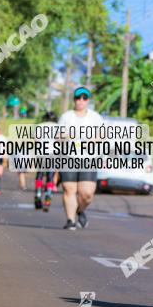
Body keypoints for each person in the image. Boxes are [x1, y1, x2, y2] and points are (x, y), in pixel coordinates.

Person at [58, 87, 104, 230]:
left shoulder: (95, 117)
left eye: (84, 98)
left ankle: (80, 210)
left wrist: (93, 140)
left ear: (88, 100)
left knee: (87, 194)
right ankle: (70, 220)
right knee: (68, 189)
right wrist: (65, 136)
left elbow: (103, 135)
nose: (81, 101)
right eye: (78, 98)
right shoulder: (66, 117)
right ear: (74, 99)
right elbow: (58, 136)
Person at [33, 112, 58, 211]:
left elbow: (36, 140)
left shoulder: (40, 126)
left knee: (39, 174)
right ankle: (48, 194)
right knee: (50, 176)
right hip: (52, 154)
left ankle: (38, 193)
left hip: (41, 153)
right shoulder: (58, 126)